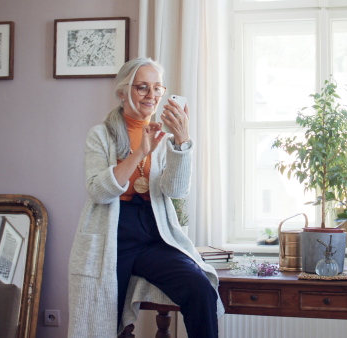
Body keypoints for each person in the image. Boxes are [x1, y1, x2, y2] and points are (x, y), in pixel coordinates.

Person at [67, 57, 224, 338]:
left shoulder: (164, 136)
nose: (152, 96)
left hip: (153, 233)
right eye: (142, 88)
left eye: (158, 88)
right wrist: (140, 151)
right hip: (111, 236)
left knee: (199, 287)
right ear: (122, 92)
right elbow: (98, 192)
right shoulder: (100, 136)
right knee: (103, 318)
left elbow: (175, 191)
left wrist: (181, 142)